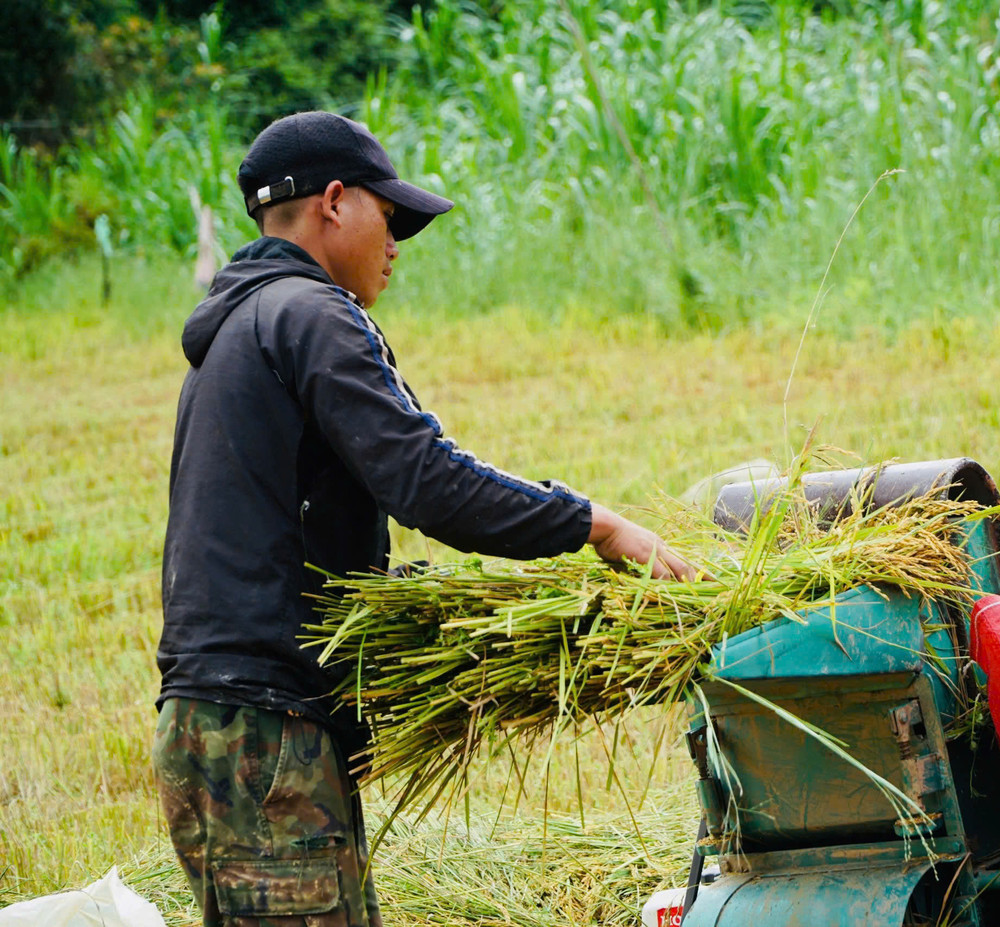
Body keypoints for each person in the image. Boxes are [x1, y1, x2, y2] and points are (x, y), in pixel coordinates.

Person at [153, 111, 694, 927]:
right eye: (390, 215)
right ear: (334, 203)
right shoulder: (312, 313)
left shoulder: (235, 329)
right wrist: (598, 525)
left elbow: (273, 537)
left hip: (208, 729)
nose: (398, 241)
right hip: (264, 735)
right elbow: (428, 482)